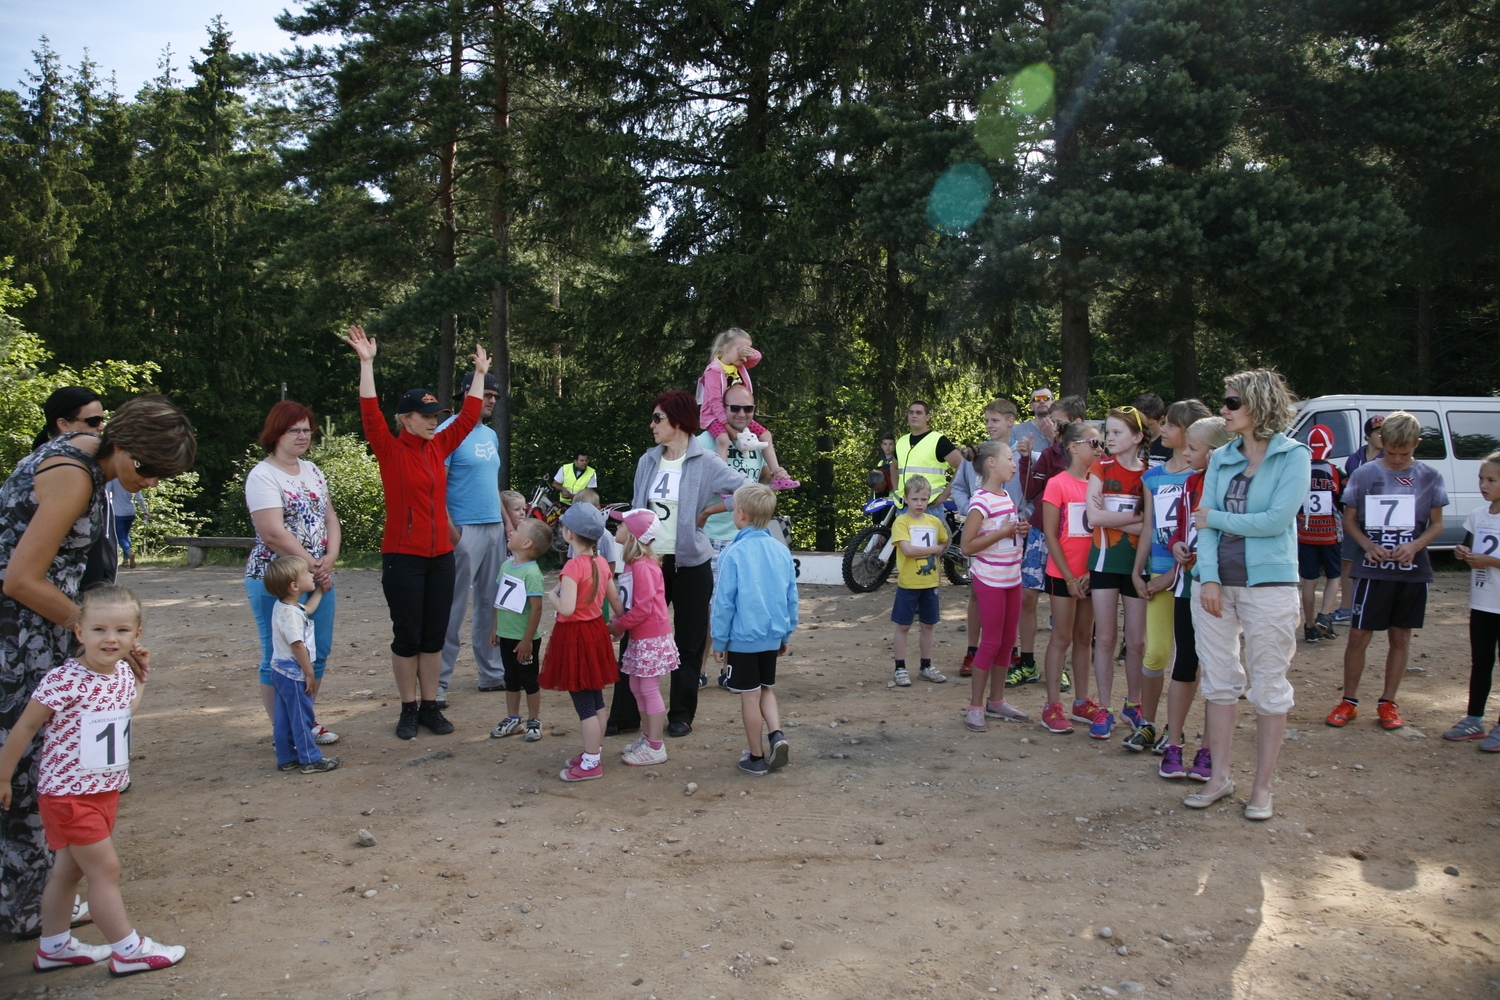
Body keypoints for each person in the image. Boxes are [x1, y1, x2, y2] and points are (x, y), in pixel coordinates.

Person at [0, 393, 194, 936]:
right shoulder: (74, 476)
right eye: (152, 471)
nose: (152, 483)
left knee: (53, 759)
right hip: (19, 637)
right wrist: (90, 633)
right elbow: (19, 579)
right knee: (31, 764)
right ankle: (25, 912)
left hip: (43, 628)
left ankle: (40, 901)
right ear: (127, 450)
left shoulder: (82, 453)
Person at [0, 585, 185, 974]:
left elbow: (123, 710)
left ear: (137, 635)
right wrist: (2, 776)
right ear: (79, 632)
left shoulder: (120, 672)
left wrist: (140, 680)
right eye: (99, 629)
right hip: (69, 796)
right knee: (106, 871)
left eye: (121, 630)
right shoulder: (63, 679)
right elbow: (24, 728)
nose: (110, 638)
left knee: (68, 870)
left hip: (103, 790)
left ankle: (53, 947)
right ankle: (128, 950)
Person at [348, 324, 487, 741]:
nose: (433, 422)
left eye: (435, 416)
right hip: (403, 557)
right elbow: (369, 412)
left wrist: (480, 374)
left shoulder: (440, 445)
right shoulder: (389, 450)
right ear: (405, 419)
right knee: (407, 636)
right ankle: (407, 708)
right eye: (425, 417)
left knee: (434, 636)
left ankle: (430, 706)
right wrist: (367, 364)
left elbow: (468, 418)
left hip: (440, 556)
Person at [1186, 369, 1309, 821]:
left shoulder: (1294, 456)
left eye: (1232, 402)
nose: (1224, 410)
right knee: (1219, 681)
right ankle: (1219, 778)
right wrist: (1211, 578)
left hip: (1270, 586)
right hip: (1216, 584)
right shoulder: (1221, 458)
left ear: (1259, 405)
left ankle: (1262, 787)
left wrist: (1216, 518)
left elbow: (1277, 521)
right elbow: (1203, 522)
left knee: (1269, 686)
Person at [611, 391, 748, 739]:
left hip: (690, 565)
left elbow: (746, 490)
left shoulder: (705, 462)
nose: (652, 425)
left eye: (658, 418)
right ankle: (625, 716)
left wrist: (707, 512)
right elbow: (638, 511)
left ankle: (681, 715)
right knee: (634, 638)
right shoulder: (647, 460)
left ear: (678, 421)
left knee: (688, 643)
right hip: (647, 565)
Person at [1327, 410, 1447, 732]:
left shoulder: (1430, 476)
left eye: (1403, 453)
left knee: (1400, 637)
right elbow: (1349, 519)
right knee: (1358, 635)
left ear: (1416, 445)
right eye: (1390, 451)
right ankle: (1348, 701)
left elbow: (1437, 525)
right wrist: (1367, 545)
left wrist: (1415, 545)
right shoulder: (1365, 473)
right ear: (1380, 442)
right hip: (1373, 570)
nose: (1395, 458)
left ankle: (1388, 702)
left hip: (1411, 570)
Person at [243, 400, 341, 747]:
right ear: (276, 433)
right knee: (279, 656)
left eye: (306, 429)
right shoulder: (263, 475)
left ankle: (304, 719)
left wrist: (330, 558)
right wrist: (313, 565)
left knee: (317, 652)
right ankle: (283, 731)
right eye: (294, 430)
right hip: (275, 578)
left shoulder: (313, 470)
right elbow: (272, 532)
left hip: (317, 577)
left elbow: (330, 518)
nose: (302, 436)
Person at [1127, 399, 1211, 752]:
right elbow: (1148, 527)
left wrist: (1176, 573)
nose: (1163, 430)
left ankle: (1174, 729)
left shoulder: (1203, 476)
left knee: (1188, 656)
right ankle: (1146, 723)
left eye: (1171, 426)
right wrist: (1137, 572)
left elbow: (1198, 535)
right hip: (1157, 573)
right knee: (1155, 654)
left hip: (1188, 577)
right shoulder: (1153, 476)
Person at [1158, 416, 1233, 781]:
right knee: (1184, 662)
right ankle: (1173, 743)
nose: (1184, 454)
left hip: (1221, 587)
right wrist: (1176, 546)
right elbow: (1176, 528)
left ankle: (1208, 749)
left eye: (1193, 448)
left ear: (1215, 452)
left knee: (1217, 668)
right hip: (1188, 585)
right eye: (1184, 446)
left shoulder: (1233, 484)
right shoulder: (1188, 484)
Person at [711, 483, 798, 775]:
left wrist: (719, 641)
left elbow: (723, 603)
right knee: (766, 688)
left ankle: (757, 757)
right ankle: (776, 734)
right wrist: (785, 633)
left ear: (741, 514)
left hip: (743, 638)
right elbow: (791, 596)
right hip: (772, 635)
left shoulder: (732, 553)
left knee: (749, 695)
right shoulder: (781, 551)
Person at [540, 504, 624, 782]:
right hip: (595, 634)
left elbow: (566, 608)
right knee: (596, 700)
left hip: (575, 638)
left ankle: (591, 762)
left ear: (569, 534)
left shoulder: (573, 566)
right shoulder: (601, 563)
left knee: (585, 705)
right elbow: (614, 600)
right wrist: (620, 625)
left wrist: (551, 594)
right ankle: (593, 753)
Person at [438, 371, 505, 705]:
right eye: (486, 394)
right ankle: (437, 681)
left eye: (495, 396)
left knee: (491, 604)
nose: (491, 400)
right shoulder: (447, 432)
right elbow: (437, 487)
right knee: (452, 606)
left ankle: (492, 674)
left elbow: (492, 486)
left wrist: (508, 524)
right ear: (468, 393)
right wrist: (453, 535)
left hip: (494, 527)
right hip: (464, 530)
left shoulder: (490, 436)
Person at [1084, 406, 1149, 740]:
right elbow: (1094, 517)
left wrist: (1130, 521)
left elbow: (1153, 523)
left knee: (1137, 640)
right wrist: (1137, 521)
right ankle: (1105, 708)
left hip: (1139, 565)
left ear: (1137, 437)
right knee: (1105, 638)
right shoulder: (1100, 466)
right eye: (1107, 432)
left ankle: (1134, 704)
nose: (1110, 438)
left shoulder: (1150, 473)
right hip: (1105, 561)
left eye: (1117, 432)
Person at [1017, 394, 1088, 688]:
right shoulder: (1049, 453)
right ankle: (1028, 661)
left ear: (1078, 424)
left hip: (1070, 538)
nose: (1053, 428)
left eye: (1059, 423)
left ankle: (1059, 665)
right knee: (1027, 597)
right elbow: (1033, 488)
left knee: (1063, 604)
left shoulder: (1087, 457)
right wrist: (1025, 459)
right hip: (1039, 533)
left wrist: (1054, 443)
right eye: (1052, 423)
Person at [952, 399, 1026, 680]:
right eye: (987, 421)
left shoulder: (1021, 453)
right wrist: (972, 510)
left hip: (1012, 541)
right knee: (978, 595)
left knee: (1011, 600)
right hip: (985, 542)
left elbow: (1031, 493)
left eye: (994, 420)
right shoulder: (980, 455)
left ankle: (1011, 652)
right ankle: (974, 650)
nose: (989, 426)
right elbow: (959, 487)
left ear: (1011, 421)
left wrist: (1022, 520)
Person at [959, 440, 1029, 731]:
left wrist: (1018, 531)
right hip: (990, 580)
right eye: (1009, 458)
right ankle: (975, 705)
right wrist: (1002, 532)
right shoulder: (980, 500)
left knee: (1007, 641)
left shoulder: (1006, 498)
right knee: (990, 642)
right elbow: (966, 546)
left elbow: (1005, 535)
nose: (1014, 464)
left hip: (1012, 578)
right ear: (991, 463)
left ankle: (996, 701)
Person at [1038, 422, 1102, 733]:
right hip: (1062, 575)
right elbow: (1051, 534)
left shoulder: (1098, 483)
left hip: (1091, 576)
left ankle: (1081, 702)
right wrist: (1070, 577)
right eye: (1094, 442)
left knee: (1084, 639)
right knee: (1061, 637)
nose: (1100, 448)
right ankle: (1052, 705)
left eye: (1101, 443)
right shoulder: (1058, 483)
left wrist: (1089, 573)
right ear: (1074, 447)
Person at [609, 510, 678, 766]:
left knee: (648, 689)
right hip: (641, 636)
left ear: (633, 535)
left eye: (622, 525)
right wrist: (623, 627)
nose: (617, 527)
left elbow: (643, 608)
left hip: (651, 638)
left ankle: (656, 746)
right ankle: (648, 738)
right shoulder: (633, 564)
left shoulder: (643, 567)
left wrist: (618, 625)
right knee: (637, 687)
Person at [263, 557, 339, 775]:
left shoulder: (285, 606)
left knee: (284, 716)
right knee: (301, 716)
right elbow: (297, 645)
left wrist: (320, 591)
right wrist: (309, 673)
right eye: (306, 574)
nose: (311, 576)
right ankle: (310, 759)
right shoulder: (290, 615)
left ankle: (286, 757)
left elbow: (307, 610)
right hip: (293, 673)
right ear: (294, 586)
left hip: (279, 671)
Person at [1446, 453, 1500, 750]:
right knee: (1481, 662)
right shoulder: (1477, 516)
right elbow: (1469, 550)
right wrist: (1462, 554)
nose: (1484, 485)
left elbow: (1487, 557)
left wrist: (1489, 560)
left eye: (1491, 480)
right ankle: (1474, 718)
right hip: (1482, 602)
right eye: (1481, 479)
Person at [697, 327, 796, 487]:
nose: (744, 357)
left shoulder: (739, 365)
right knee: (722, 440)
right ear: (726, 348)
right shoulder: (714, 371)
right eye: (740, 351)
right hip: (715, 417)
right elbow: (715, 403)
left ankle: (778, 475)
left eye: (746, 351)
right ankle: (721, 481)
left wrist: (744, 351)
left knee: (766, 435)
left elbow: (757, 357)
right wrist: (730, 429)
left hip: (733, 415)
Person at [695, 384, 772, 574]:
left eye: (748, 408)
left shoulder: (756, 442)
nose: (742, 413)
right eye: (735, 408)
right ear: (723, 409)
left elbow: (763, 476)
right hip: (711, 537)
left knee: (745, 600)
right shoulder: (704, 442)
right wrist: (703, 514)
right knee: (710, 602)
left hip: (750, 536)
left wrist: (776, 477)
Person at [489, 518, 551, 742]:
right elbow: (500, 600)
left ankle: (534, 720)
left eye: (516, 531)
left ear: (526, 544)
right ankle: (513, 719)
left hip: (524, 639)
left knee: (529, 680)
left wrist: (526, 640)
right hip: (505, 635)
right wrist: (495, 627)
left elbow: (536, 609)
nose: (511, 532)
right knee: (510, 678)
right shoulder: (506, 566)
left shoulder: (532, 574)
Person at [890, 475, 949, 687]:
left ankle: (926, 666)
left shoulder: (934, 521)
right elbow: (907, 549)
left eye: (924, 500)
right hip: (908, 584)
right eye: (915, 499)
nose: (919, 504)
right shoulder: (901, 521)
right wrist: (934, 549)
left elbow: (945, 539)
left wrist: (940, 548)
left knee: (928, 625)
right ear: (906, 499)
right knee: (903, 626)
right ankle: (900, 667)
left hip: (930, 583)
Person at [1298, 424, 1344, 643]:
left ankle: (1308, 627)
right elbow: (1345, 501)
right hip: (1330, 535)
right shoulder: (1336, 472)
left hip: (1305, 533)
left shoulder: (1300, 471)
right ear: (1330, 446)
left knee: (1309, 580)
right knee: (1334, 576)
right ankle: (1325, 616)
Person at [1335, 416, 1384, 623]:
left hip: (1378, 519)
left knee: (1378, 562)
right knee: (1347, 563)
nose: (1383, 436)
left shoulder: (1388, 458)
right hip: (1353, 519)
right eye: (1378, 432)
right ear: (1367, 436)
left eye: (1385, 432)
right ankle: (1346, 608)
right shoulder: (1354, 459)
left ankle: (1375, 607)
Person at [893, 401, 963, 504]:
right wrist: (895, 491)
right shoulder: (901, 441)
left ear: (927, 417)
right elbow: (894, 466)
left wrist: (945, 494)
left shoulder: (938, 440)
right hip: (904, 506)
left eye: (919, 413)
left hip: (930, 506)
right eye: (911, 412)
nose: (914, 415)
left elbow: (962, 464)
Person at [30, 387, 105, 451]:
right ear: (64, 424)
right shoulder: (55, 463)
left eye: (102, 419)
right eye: (94, 421)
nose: (102, 427)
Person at [109, 479, 147, 569]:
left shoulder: (113, 479)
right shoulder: (131, 478)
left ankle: (129, 552)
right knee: (126, 535)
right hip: (130, 512)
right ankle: (125, 561)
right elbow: (140, 497)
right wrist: (145, 510)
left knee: (120, 536)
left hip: (118, 512)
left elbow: (106, 493)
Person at [1134, 392, 1170, 467]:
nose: (1143, 428)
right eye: (1139, 424)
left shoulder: (1168, 444)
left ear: (1161, 419)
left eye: (1149, 425)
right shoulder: (1131, 440)